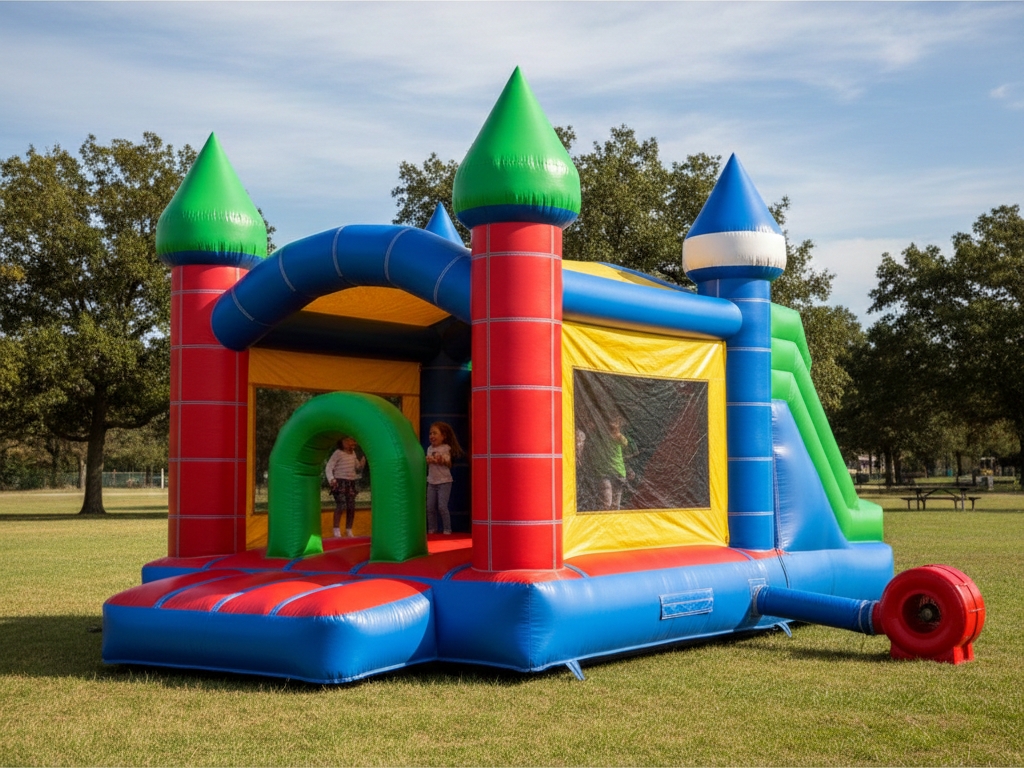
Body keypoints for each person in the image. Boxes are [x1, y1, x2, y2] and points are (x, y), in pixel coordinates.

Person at [425, 421, 464, 535]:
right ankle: (432, 529)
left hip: (444, 482)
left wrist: (441, 459)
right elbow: (428, 461)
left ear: (443, 436)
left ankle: (447, 529)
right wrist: (428, 460)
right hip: (432, 481)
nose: (432, 436)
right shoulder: (429, 449)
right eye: (430, 433)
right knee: (430, 507)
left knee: (442, 506)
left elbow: (448, 462)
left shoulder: (446, 448)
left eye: (435, 433)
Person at [326, 436, 366, 537]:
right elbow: (329, 467)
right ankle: (336, 529)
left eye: (353, 441)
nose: (352, 443)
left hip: (350, 483)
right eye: (349, 441)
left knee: (351, 507)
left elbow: (357, 467)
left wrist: (362, 462)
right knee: (341, 504)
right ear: (342, 442)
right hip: (339, 482)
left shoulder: (353, 453)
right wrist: (331, 479)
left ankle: (349, 529)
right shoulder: (338, 453)